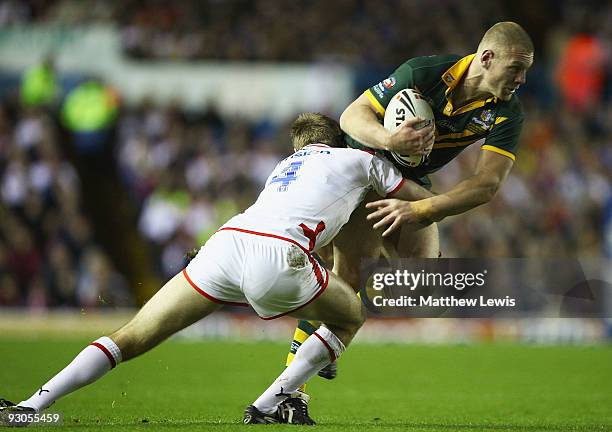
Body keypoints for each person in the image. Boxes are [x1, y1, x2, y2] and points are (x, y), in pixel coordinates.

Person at [0, 113, 429, 426]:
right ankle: (267, 405)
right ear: (337, 140)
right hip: (277, 255)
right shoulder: (353, 160)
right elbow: (417, 201)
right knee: (352, 315)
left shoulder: (283, 168)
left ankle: (31, 407)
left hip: (225, 245)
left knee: (131, 336)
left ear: (298, 147)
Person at [282, 21, 534, 421]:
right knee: (346, 276)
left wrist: (419, 210)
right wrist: (389, 140)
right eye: (516, 68)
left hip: (409, 184)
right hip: (364, 170)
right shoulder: (424, 73)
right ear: (487, 58)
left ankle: (327, 336)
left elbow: (486, 185)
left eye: (526, 70)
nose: (522, 79)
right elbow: (352, 115)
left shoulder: (507, 113)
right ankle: (292, 392)